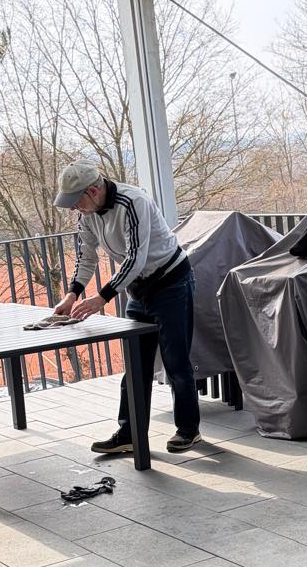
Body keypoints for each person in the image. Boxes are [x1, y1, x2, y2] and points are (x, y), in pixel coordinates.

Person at [52, 157, 203, 456]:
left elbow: (136, 256)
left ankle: (188, 430)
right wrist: (72, 293)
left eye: (75, 201)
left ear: (93, 192)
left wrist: (102, 297)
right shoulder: (87, 215)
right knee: (135, 364)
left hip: (172, 282)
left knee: (176, 362)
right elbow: (87, 257)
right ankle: (129, 434)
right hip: (139, 288)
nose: (73, 209)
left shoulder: (134, 202)